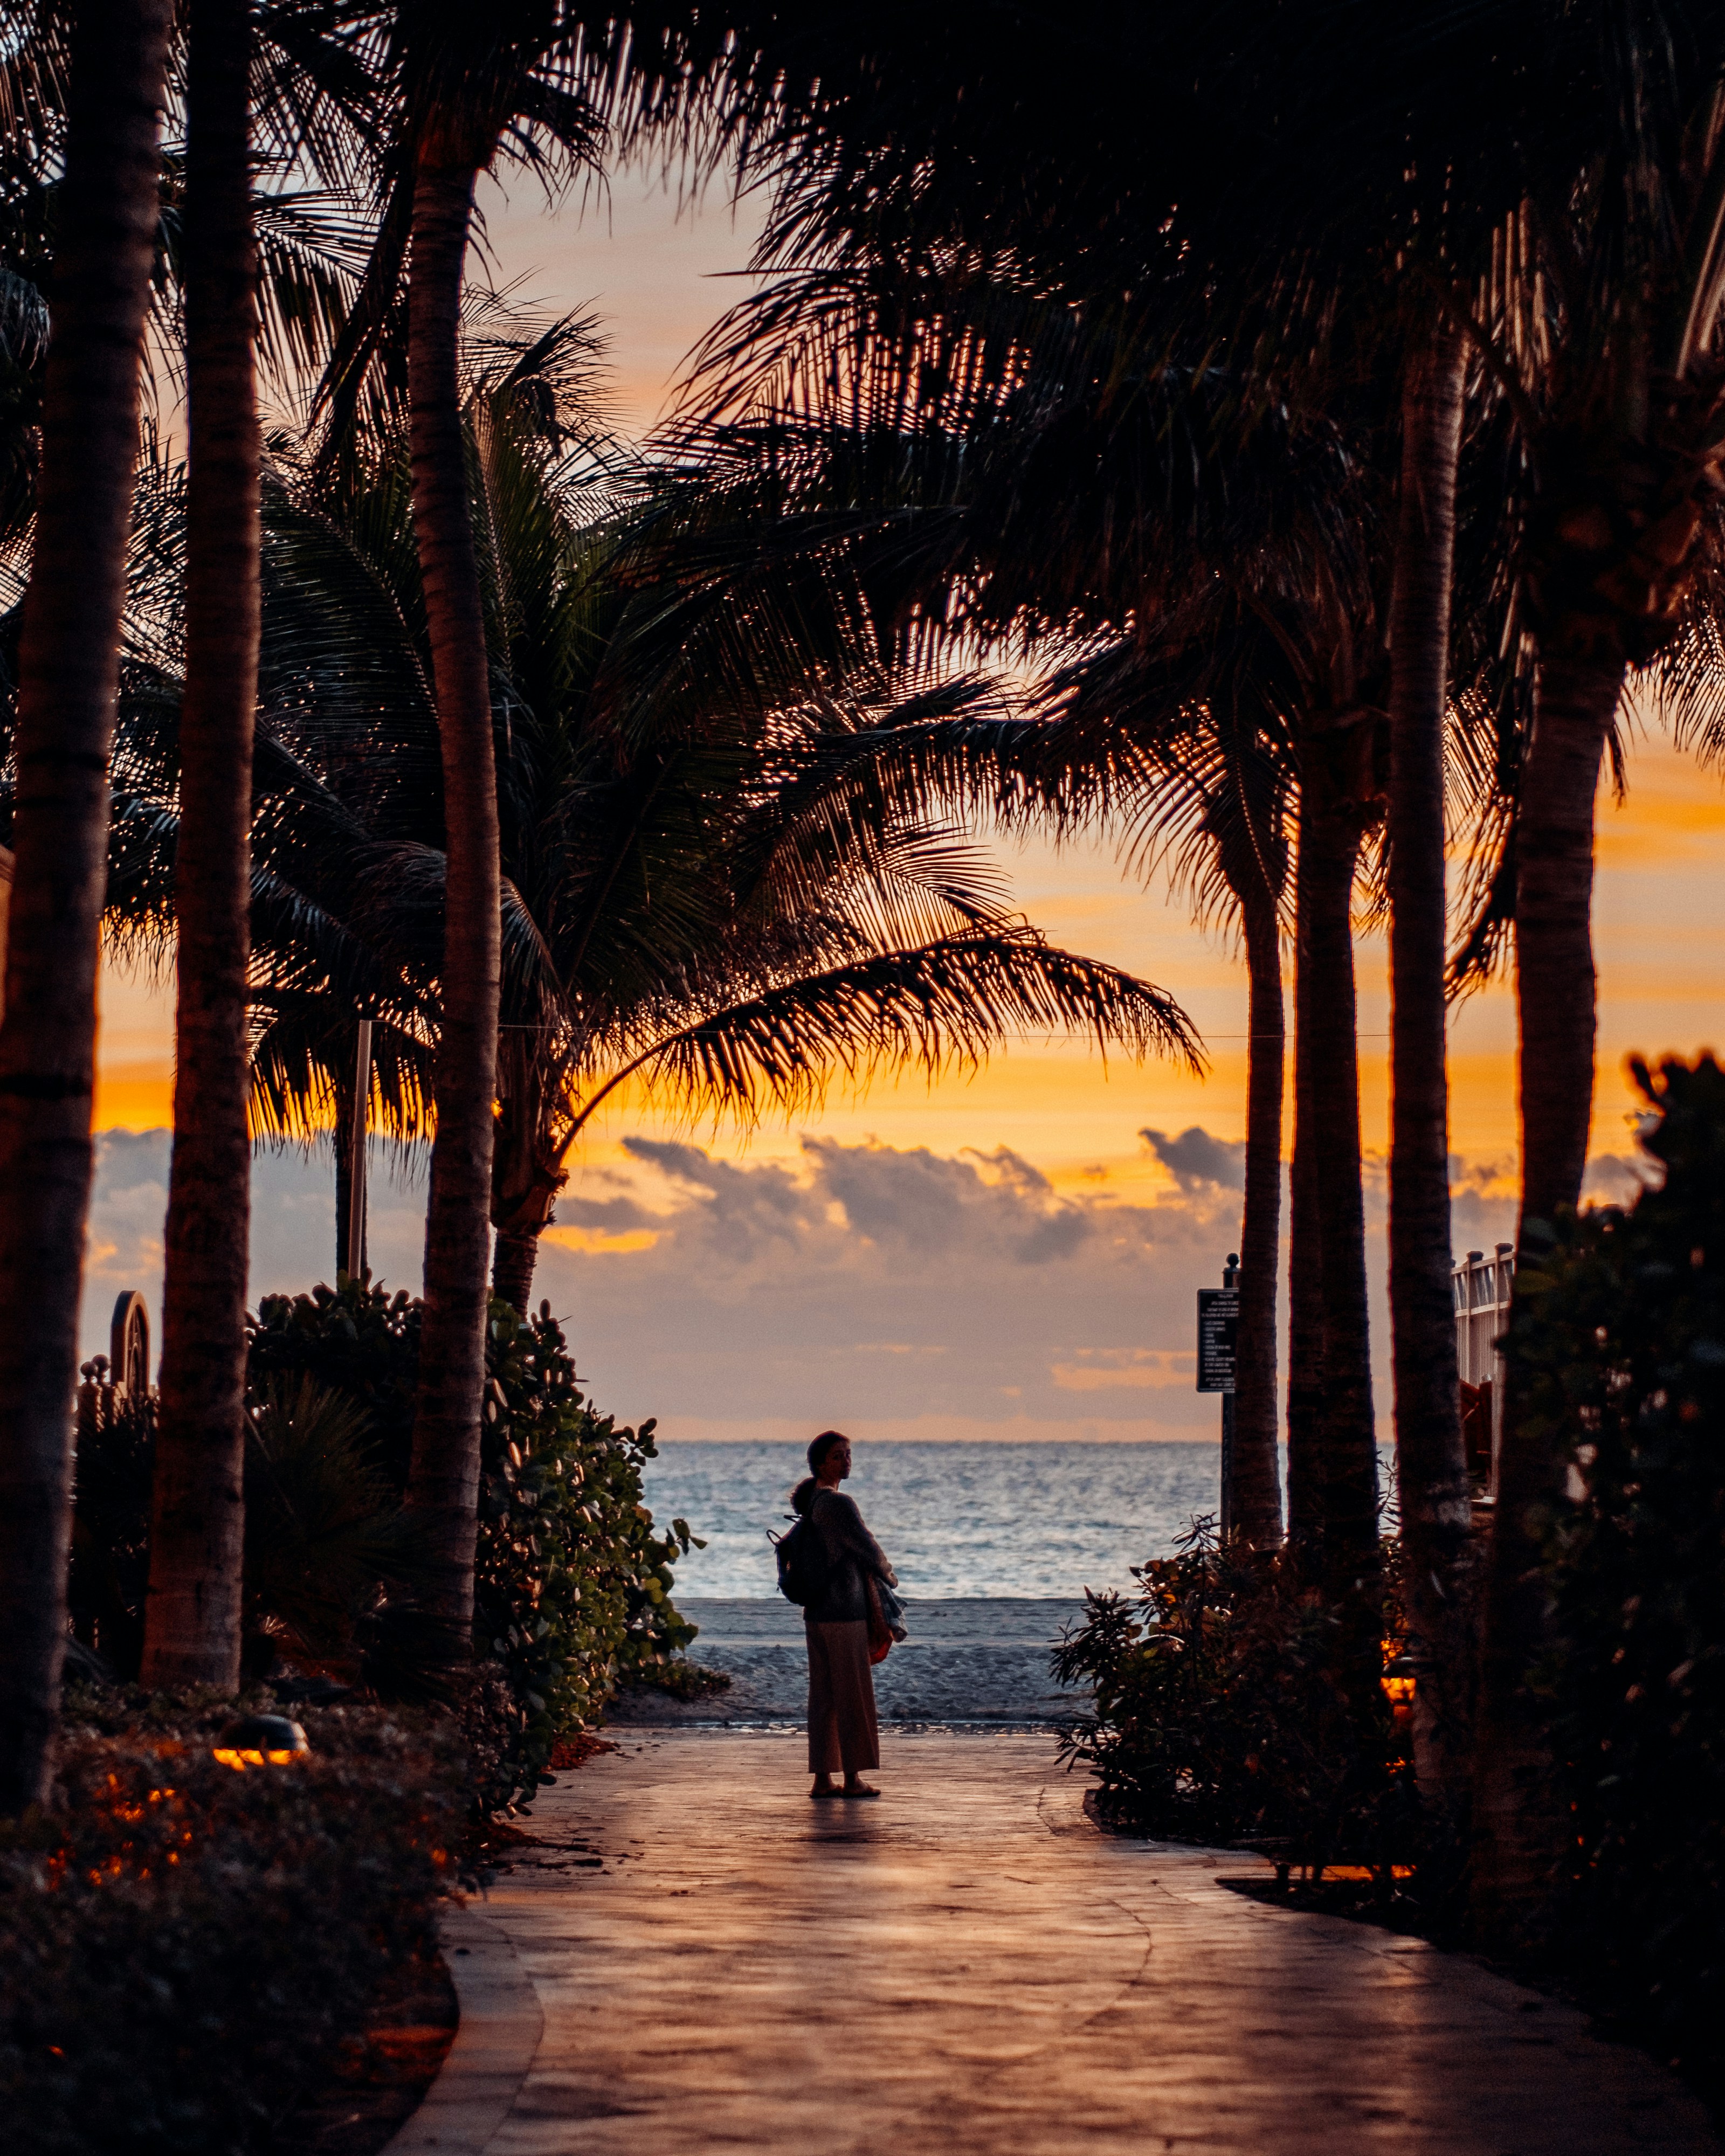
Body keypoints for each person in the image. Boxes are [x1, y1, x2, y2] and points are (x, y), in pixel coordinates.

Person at [794, 1430, 898, 1800]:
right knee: (852, 1696)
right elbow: (867, 1545)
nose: (846, 1461)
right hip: (845, 1611)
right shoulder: (838, 1504)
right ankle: (853, 1780)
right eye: (838, 1456)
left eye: (848, 1455)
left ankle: (823, 1779)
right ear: (821, 1463)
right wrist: (890, 1575)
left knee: (823, 1697)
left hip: (817, 1612)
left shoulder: (811, 1504)